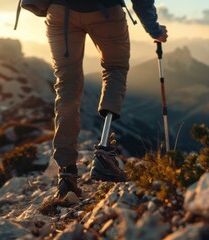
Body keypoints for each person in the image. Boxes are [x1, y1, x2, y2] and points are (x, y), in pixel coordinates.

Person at [45, 0, 168, 198]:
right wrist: (154, 30)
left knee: (66, 86)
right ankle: (104, 154)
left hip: (60, 11)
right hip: (105, 10)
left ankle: (67, 174)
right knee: (115, 70)